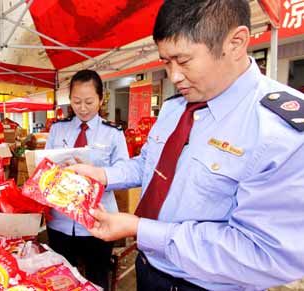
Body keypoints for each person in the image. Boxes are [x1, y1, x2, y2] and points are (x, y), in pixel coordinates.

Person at [69, 1, 304, 290]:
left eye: (183, 60)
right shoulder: (175, 108)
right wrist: (103, 176)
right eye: (166, 62)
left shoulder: (279, 131)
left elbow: (264, 253)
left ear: (236, 42)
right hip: (148, 268)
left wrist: (141, 229)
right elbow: (149, 166)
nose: (173, 76)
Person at [45, 69, 129, 290]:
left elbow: (125, 172)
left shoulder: (113, 133)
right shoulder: (57, 129)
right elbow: (44, 168)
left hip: (98, 220)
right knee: (62, 279)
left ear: (101, 99)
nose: (82, 108)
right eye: (76, 101)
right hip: (61, 220)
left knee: (97, 277)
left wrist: (98, 173)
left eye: (89, 101)